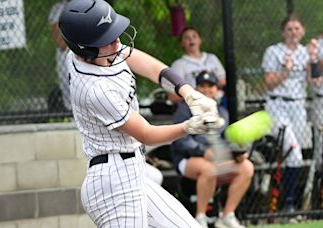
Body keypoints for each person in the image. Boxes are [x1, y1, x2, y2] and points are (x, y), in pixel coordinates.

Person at [58, 0, 224, 227]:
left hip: (132, 172)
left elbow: (153, 68)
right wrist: (189, 126)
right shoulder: (95, 90)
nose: (117, 43)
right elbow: (146, 133)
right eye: (107, 40)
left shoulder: (97, 51)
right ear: (86, 49)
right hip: (113, 186)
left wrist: (188, 93)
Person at [171, 71, 254, 228]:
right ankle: (200, 219)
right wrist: (203, 152)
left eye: (211, 86)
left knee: (246, 167)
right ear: (196, 88)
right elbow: (181, 142)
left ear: (216, 89)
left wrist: (236, 153)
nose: (207, 90)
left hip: (216, 159)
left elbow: (226, 140)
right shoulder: (184, 109)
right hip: (187, 159)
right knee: (209, 169)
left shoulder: (222, 112)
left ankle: (227, 216)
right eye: (202, 86)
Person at [261, 14, 309, 211]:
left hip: (298, 107)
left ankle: (291, 200)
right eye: (289, 29)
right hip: (278, 105)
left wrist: (314, 59)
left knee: (295, 154)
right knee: (294, 153)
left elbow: (315, 80)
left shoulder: (306, 52)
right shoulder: (273, 51)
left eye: (297, 28)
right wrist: (286, 72)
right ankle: (288, 203)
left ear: (303, 31)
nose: (293, 32)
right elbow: (269, 83)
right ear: (283, 32)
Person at [169, 27, 226, 104]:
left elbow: (223, 81)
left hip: (217, 102)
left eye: (194, 36)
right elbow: (172, 96)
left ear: (200, 40)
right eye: (186, 38)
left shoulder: (212, 58)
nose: (191, 39)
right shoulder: (178, 64)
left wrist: (209, 89)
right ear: (182, 43)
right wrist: (196, 93)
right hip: (192, 105)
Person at [48, 0, 71, 111]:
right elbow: (61, 41)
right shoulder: (58, 8)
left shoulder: (88, 3)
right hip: (66, 54)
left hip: (85, 50)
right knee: (70, 87)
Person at [307, 37, 323, 172]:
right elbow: (316, 80)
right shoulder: (316, 44)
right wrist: (315, 58)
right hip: (320, 99)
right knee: (320, 143)